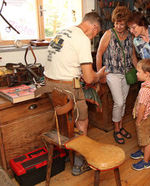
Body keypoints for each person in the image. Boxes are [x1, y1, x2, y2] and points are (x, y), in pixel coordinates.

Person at [35, 12, 107, 176]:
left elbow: (65, 61)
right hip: (67, 87)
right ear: (94, 27)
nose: (93, 37)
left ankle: (70, 152)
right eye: (96, 34)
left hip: (50, 85)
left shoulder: (63, 31)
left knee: (66, 120)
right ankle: (79, 163)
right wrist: (100, 74)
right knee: (82, 121)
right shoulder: (82, 38)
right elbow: (89, 78)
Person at [96, 6, 137, 144]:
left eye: (121, 23)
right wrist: (100, 75)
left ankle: (121, 126)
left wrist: (140, 71)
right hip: (111, 73)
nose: (118, 26)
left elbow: (132, 56)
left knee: (124, 102)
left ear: (126, 23)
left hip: (126, 73)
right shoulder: (109, 34)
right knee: (119, 102)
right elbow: (99, 54)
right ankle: (116, 129)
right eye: (116, 23)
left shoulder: (130, 36)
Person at [130, 59, 150, 170]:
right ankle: (142, 152)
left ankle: (146, 162)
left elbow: (142, 108)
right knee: (143, 137)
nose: (136, 74)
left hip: (144, 119)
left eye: (138, 72)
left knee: (146, 141)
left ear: (147, 74)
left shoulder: (145, 90)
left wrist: (138, 120)